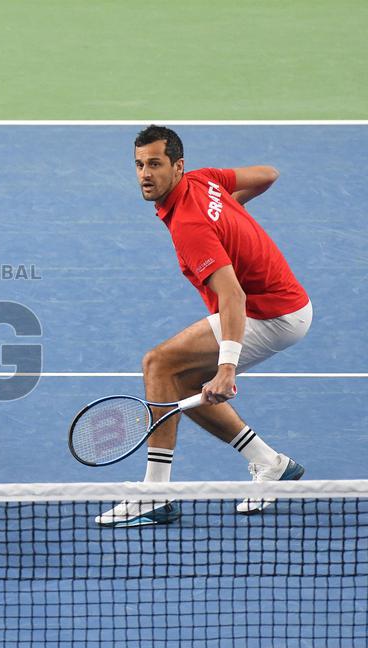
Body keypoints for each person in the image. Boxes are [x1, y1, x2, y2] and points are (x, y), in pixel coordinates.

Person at [97, 126, 312, 527]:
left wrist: (226, 369)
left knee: (159, 364)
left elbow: (233, 297)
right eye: (139, 165)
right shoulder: (204, 180)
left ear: (178, 166)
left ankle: (155, 495)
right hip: (285, 303)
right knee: (177, 380)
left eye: (155, 164)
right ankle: (269, 463)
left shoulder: (190, 225)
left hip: (272, 313)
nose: (145, 174)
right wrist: (228, 216)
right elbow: (268, 174)